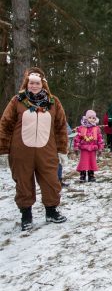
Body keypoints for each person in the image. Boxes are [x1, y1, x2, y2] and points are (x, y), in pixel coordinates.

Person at [0, 67, 68, 231]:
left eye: (37, 83)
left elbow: (60, 127)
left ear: (43, 84)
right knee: (23, 182)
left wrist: (62, 150)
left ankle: (51, 212)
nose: (34, 86)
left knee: (51, 181)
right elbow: (5, 125)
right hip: (21, 151)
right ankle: (26, 215)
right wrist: (3, 150)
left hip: (47, 150)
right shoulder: (17, 101)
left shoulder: (53, 102)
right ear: (27, 83)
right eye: (31, 83)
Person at [73, 110, 104, 182]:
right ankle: (82, 175)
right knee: (83, 162)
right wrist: (76, 147)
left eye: (93, 118)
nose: (91, 119)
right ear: (86, 118)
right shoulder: (81, 128)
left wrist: (100, 148)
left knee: (92, 162)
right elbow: (77, 138)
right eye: (90, 117)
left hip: (93, 148)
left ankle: (91, 175)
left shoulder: (96, 128)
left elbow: (100, 138)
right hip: (84, 148)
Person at [57, 122, 73, 187]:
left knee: (59, 165)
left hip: (60, 146)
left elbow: (69, 131)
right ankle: (54, 182)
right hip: (50, 147)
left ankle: (59, 181)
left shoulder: (62, 120)